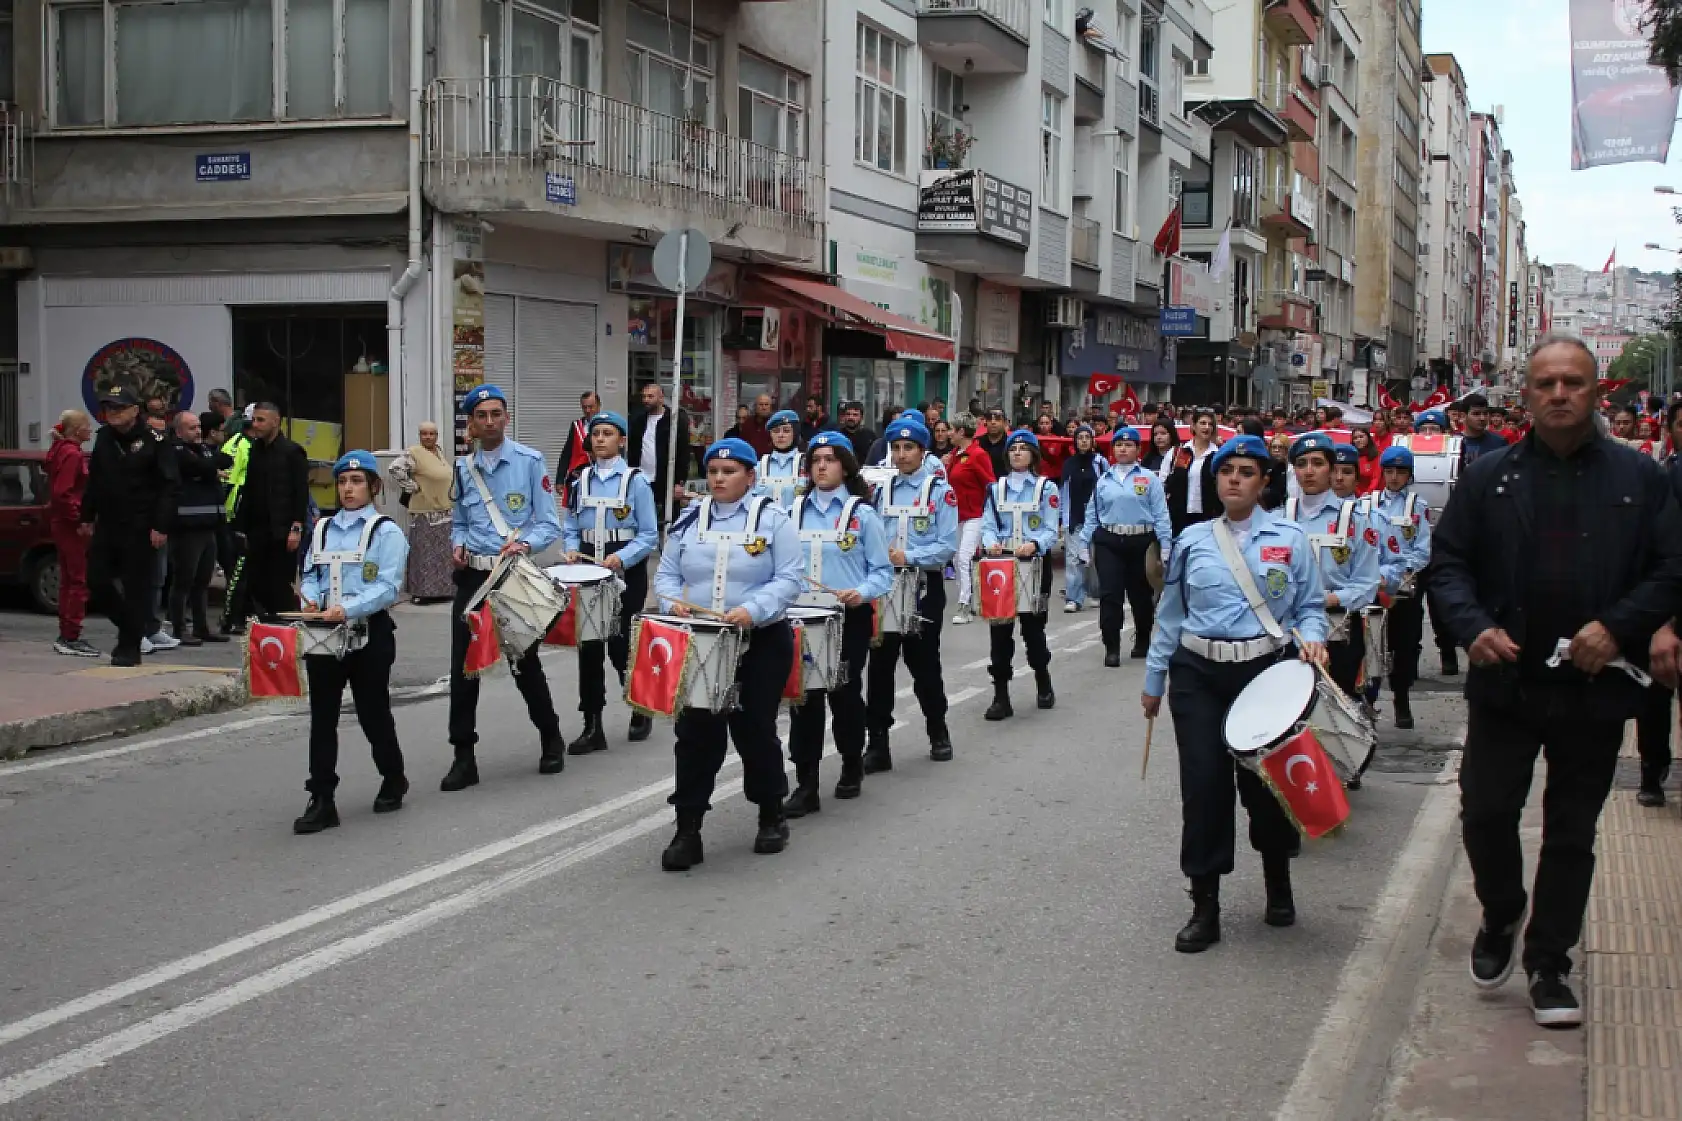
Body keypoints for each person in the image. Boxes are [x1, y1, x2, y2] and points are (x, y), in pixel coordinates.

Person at [1433, 335, 1682, 1028]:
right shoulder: (1489, 478)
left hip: (1593, 687)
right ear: (1528, 395)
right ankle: (1503, 911)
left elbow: (1671, 567)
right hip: (1507, 680)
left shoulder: (1640, 477)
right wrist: (1471, 625)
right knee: (1485, 812)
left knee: (1572, 832)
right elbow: (1448, 564)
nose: (1560, 393)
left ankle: (1550, 961)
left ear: (1597, 392)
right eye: (1546, 383)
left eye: (1574, 382)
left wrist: (1622, 625)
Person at [1142, 434, 1328, 952]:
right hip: (1198, 675)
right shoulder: (1193, 539)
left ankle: (1277, 882)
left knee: (1266, 789)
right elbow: (1171, 616)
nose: (1234, 480)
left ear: (1264, 482)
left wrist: (1313, 637)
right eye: (1227, 472)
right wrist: (1154, 680)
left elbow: (1310, 607)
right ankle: (1205, 905)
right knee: (1204, 790)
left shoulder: (1289, 539)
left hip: (1264, 675)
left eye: (1247, 472)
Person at [654, 438, 804, 870]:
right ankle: (688, 829)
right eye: (713, 470)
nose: (718, 478)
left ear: (750, 476)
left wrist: (752, 610)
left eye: (729, 471)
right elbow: (666, 574)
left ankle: (771, 813)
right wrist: (671, 602)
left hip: (760, 639)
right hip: (702, 639)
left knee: (754, 728)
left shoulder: (772, 520)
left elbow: (789, 578)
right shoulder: (689, 519)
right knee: (696, 733)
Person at [445, 385, 569, 789]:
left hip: (513, 573)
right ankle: (464, 755)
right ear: (472, 423)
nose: (490, 421)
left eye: (496, 413)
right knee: (464, 667)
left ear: (507, 417)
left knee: (524, 660)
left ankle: (550, 736)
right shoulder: (463, 470)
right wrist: (458, 544)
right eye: (481, 415)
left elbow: (549, 522)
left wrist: (525, 543)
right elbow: (461, 520)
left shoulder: (530, 462)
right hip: (474, 576)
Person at [292, 450, 411, 835]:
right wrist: (309, 599)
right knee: (322, 717)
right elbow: (310, 573)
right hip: (325, 632)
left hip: (369, 633)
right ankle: (322, 797)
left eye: (357, 482)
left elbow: (388, 587)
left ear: (373, 487)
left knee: (372, 711)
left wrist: (347, 608)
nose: (348, 489)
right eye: (343, 481)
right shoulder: (323, 528)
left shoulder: (386, 532)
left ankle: (393, 776)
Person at [783, 431, 893, 814]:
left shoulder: (862, 515)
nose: (822, 466)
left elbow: (882, 572)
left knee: (843, 695)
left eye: (830, 459)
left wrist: (860, 592)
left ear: (845, 466)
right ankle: (806, 783)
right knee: (804, 701)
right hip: (800, 619)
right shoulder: (789, 512)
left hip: (847, 618)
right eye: (815, 460)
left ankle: (850, 763)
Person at [561, 410, 660, 753]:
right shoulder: (579, 480)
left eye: (607, 433)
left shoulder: (635, 482)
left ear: (622, 440)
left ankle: (639, 705)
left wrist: (623, 558)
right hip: (589, 570)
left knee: (621, 645)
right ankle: (592, 725)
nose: (600, 438)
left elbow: (649, 535)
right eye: (596, 433)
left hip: (624, 571)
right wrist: (572, 550)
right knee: (589, 648)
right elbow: (571, 527)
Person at [864, 415, 959, 771]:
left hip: (922, 585)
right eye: (896, 448)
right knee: (880, 666)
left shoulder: (939, 491)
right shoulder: (879, 491)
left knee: (924, 664)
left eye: (909, 448)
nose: (902, 455)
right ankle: (878, 743)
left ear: (923, 451)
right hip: (886, 586)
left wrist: (909, 556)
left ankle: (938, 730)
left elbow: (947, 545)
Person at [81, 388, 181, 667]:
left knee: (137, 588)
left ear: (135, 410)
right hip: (109, 523)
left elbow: (169, 486)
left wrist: (161, 525)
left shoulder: (155, 441)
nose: (113, 413)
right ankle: (132, 628)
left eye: (119, 408)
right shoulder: (104, 439)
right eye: (109, 408)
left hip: (141, 525)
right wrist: (86, 516)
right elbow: (95, 481)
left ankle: (128, 648)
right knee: (97, 581)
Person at [1282, 433, 1381, 709]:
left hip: (1340, 632)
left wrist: (1332, 599)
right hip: (1291, 633)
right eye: (1302, 464)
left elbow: (1368, 582)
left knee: (1340, 714)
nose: (1309, 471)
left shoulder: (1355, 519)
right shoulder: (1280, 519)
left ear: (1331, 469)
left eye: (1317, 463)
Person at [980, 430, 1060, 720]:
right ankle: (1001, 695)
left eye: (1024, 449)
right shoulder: (995, 489)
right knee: (999, 632)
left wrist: (1036, 543)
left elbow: (1052, 528)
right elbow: (988, 524)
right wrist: (991, 542)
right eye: (1013, 448)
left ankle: (1043, 679)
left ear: (1034, 456)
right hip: (1002, 565)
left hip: (1034, 563)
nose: (1017, 453)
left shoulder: (1046, 488)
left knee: (1033, 629)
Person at [1083, 426, 1172, 666]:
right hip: (1109, 540)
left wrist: (1165, 545)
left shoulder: (1149, 479)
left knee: (1141, 596)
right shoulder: (1104, 480)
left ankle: (1142, 638)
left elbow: (1161, 514)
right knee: (1110, 594)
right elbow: (1093, 513)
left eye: (1128, 445)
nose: (1123, 449)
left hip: (1141, 541)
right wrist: (1084, 541)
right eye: (1119, 445)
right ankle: (1111, 646)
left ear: (1137, 449)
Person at [1636, 401, 1682, 807]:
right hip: (1668, 603)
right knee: (1655, 692)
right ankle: (1652, 770)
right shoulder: (1664, 479)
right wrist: (1661, 621)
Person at [1370, 445, 1432, 730]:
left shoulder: (1417, 507)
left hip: (1404, 588)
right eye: (1390, 471)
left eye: (1401, 472)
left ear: (1409, 475)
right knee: (1370, 645)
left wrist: (1400, 570)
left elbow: (1422, 551)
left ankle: (1402, 697)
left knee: (1403, 645)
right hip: (1374, 586)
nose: (1394, 477)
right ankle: (1367, 701)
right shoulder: (1367, 504)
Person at [233, 403, 310, 619]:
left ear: (275, 422)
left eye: (261, 420)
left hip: (283, 531)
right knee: (257, 582)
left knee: (280, 584)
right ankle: (262, 625)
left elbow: (301, 493)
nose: (255, 425)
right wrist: (241, 527)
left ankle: (284, 626)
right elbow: (248, 489)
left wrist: (296, 527)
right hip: (258, 530)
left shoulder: (292, 452)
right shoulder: (255, 450)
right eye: (254, 420)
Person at [167, 411, 232, 647]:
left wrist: (209, 466)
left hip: (209, 525)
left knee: (203, 581)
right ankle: (179, 628)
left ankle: (201, 627)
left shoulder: (202, 450)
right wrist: (209, 467)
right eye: (191, 428)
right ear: (179, 431)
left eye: (198, 427)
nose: (197, 431)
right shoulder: (176, 452)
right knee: (184, 579)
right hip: (187, 528)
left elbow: (224, 460)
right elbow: (203, 465)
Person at [47, 410, 98, 658]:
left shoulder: (60, 450)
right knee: (77, 580)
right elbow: (63, 492)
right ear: (77, 430)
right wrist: (79, 518)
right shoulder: (72, 454)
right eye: (87, 426)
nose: (90, 429)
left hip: (62, 522)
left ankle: (67, 633)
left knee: (69, 579)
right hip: (70, 524)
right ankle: (70, 635)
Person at [389, 421, 455, 602]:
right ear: (420, 436)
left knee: (443, 554)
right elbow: (395, 468)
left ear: (437, 436)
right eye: (424, 434)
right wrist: (411, 486)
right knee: (424, 554)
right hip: (425, 511)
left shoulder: (439, 452)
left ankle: (444, 591)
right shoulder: (414, 452)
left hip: (444, 510)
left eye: (431, 434)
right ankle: (422, 593)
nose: (428, 437)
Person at [945, 412, 996, 625]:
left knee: (965, 558)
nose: (948, 433)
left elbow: (991, 484)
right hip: (957, 516)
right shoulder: (955, 454)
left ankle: (964, 604)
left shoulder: (978, 455)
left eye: (951, 429)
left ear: (961, 432)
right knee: (958, 560)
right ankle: (971, 598)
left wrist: (992, 515)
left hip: (976, 515)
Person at [628, 382, 692, 527]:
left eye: (650, 396)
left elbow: (683, 452)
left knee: (669, 521)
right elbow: (632, 450)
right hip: (643, 479)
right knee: (642, 520)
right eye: (644, 396)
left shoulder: (674, 420)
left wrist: (679, 482)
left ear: (661, 398)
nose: (646, 400)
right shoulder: (639, 420)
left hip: (666, 480)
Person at [1059, 425, 1103, 613]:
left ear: (1093, 441)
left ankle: (1096, 592)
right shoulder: (1068, 464)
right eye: (1080, 437)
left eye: (1087, 437)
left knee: (1094, 558)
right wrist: (1062, 518)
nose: (1083, 441)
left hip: (1097, 518)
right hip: (1074, 517)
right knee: (1074, 559)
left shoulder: (1100, 462)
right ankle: (1074, 598)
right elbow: (1063, 492)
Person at [1166, 408, 1220, 535]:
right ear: (1193, 426)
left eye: (1210, 424)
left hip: (1208, 519)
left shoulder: (1218, 455)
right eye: (1202, 423)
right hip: (1180, 518)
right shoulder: (1178, 452)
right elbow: (1164, 484)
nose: (1207, 427)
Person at [753, 409, 806, 509]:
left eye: (786, 431)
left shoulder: (805, 464)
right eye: (776, 431)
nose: (780, 435)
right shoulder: (759, 466)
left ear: (795, 433)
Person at [557, 389, 601, 491]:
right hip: (578, 476)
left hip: (600, 474)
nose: (587, 410)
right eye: (584, 407)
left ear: (599, 406)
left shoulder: (608, 425)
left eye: (591, 407)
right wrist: (560, 479)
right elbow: (566, 453)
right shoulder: (576, 426)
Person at [1459, 394, 1512, 466]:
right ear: (1463, 416)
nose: (1482, 418)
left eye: (1485, 413)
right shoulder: (1454, 442)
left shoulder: (1499, 442)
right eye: (1476, 414)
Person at [975, 407, 1012, 477]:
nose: (993, 422)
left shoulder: (1012, 445)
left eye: (997, 419)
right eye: (989, 419)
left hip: (1003, 486)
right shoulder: (976, 443)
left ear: (1005, 422)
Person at [1350, 427, 1383, 494]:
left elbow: (1376, 478)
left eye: (1361, 437)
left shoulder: (1377, 455)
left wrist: (1368, 492)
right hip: (1355, 494)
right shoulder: (1351, 456)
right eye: (1355, 438)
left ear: (1368, 437)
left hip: (1375, 494)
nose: (1358, 440)